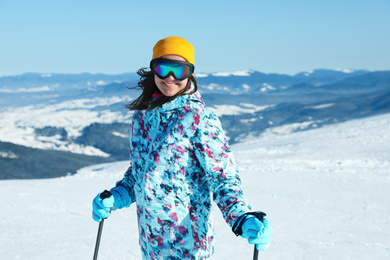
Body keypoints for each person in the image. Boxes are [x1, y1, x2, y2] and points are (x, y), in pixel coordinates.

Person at [92, 36, 271, 259]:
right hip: (151, 248)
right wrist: (117, 195)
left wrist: (242, 217)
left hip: (189, 249)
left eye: (180, 70)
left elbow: (223, 180)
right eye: (163, 67)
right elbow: (140, 173)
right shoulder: (143, 117)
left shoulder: (199, 118)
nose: (170, 77)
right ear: (153, 70)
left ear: (190, 74)